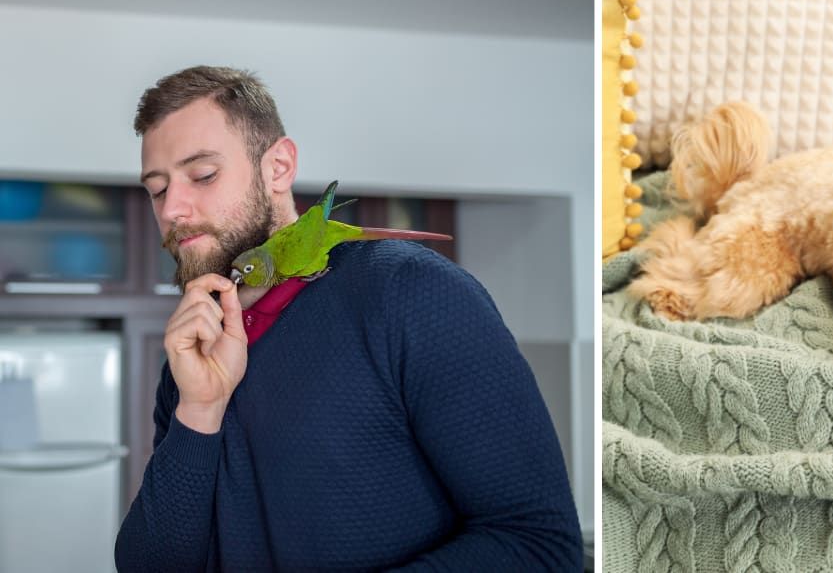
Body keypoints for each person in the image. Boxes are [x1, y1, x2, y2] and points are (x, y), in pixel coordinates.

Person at [114, 65, 582, 571]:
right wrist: (199, 411)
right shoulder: (193, 357)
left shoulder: (412, 294)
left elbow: (539, 546)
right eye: (158, 189)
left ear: (278, 167)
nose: (173, 208)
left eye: (203, 174)